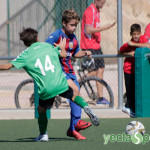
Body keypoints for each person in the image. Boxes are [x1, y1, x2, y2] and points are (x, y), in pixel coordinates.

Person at [0, 28, 99, 141]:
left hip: (46, 89)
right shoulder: (47, 46)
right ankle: (86, 106)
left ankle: (43, 135)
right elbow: (62, 54)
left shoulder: (25, 54)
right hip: (60, 83)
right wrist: (61, 46)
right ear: (37, 38)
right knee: (74, 96)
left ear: (25, 43)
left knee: (41, 110)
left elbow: (7, 66)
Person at [46, 9, 92, 140]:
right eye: (72, 25)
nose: (74, 28)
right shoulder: (56, 35)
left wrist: (84, 52)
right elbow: (45, 50)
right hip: (59, 72)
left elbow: (75, 53)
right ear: (64, 23)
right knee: (74, 92)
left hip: (70, 72)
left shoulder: (73, 38)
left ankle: (73, 129)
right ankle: (76, 123)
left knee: (76, 96)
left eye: (75, 25)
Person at [80, 0, 116, 105]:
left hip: (96, 45)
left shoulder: (97, 11)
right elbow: (88, 30)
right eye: (102, 2)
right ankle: (76, 83)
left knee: (101, 69)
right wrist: (105, 27)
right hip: (89, 46)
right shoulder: (90, 11)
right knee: (95, 71)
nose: (103, 4)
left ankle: (100, 98)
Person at [119, 24, 150, 117]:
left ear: (140, 33)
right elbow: (119, 51)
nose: (136, 36)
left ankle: (133, 109)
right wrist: (129, 53)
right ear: (131, 34)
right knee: (130, 90)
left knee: (137, 89)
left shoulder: (143, 39)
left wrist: (134, 45)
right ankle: (127, 107)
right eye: (134, 34)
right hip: (128, 70)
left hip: (138, 70)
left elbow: (148, 46)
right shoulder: (127, 44)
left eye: (137, 34)